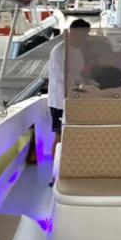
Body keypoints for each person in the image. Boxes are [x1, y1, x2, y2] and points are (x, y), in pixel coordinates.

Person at [47, 18, 91, 157]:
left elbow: (79, 73)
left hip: (74, 99)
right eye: (83, 35)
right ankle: (55, 174)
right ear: (72, 33)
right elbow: (64, 77)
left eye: (86, 35)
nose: (85, 38)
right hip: (59, 102)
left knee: (74, 136)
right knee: (60, 137)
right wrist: (82, 85)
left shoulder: (77, 50)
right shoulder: (60, 51)